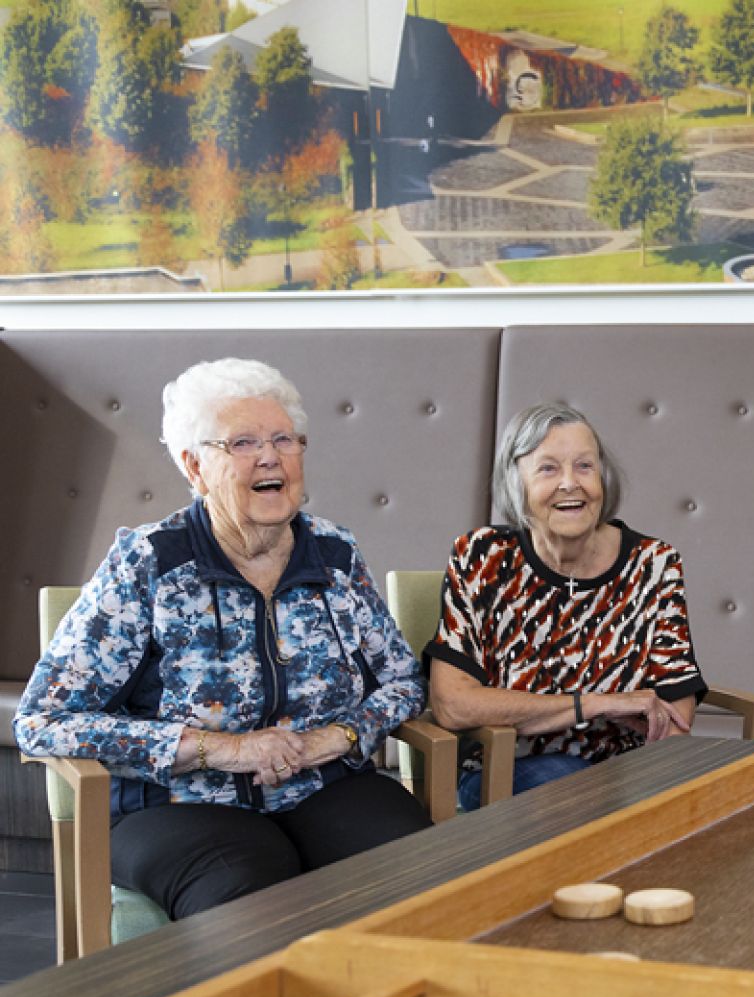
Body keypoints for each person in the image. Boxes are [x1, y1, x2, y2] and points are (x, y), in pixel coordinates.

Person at [13, 359, 431, 919]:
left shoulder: (334, 554)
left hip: (326, 785)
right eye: (242, 442)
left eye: (285, 439)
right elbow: (42, 720)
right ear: (195, 467)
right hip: (180, 804)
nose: (270, 457)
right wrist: (222, 749)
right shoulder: (151, 562)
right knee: (251, 901)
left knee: (422, 878)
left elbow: (403, 681)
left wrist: (339, 737)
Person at [426, 402, 707, 810]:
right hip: (508, 766)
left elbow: (675, 710)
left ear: (603, 477)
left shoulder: (653, 562)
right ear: (515, 481)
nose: (570, 484)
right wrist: (594, 703)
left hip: (627, 772)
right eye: (548, 468)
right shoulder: (482, 557)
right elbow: (452, 704)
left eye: (584, 466)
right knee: (580, 795)